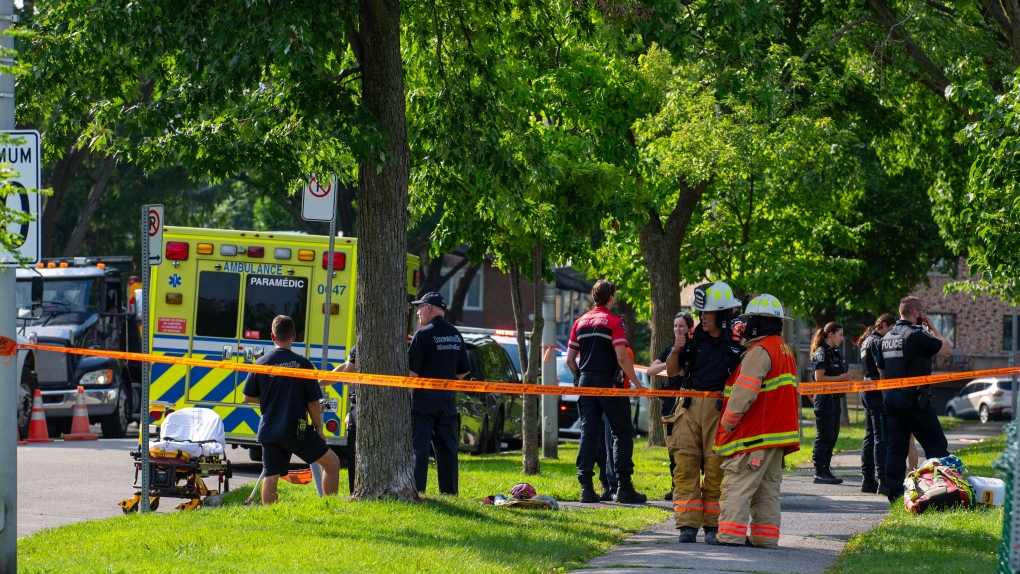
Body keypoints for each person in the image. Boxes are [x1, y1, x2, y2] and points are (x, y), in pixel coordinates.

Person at [711, 294, 800, 548]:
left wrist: (728, 423)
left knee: (738, 483)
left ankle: (729, 536)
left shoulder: (760, 351)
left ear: (758, 324)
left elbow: (744, 392)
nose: (745, 325)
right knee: (767, 490)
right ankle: (765, 537)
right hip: (776, 436)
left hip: (756, 435)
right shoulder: (784, 350)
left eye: (750, 321)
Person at [665, 281, 745, 545]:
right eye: (702, 312)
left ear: (721, 314)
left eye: (708, 313)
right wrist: (677, 348)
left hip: (718, 413)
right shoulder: (691, 338)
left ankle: (712, 526)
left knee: (715, 468)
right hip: (688, 409)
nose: (703, 317)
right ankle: (687, 525)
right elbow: (673, 370)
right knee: (684, 466)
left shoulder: (735, 344)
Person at [566, 279, 648, 505]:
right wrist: (637, 385)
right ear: (611, 297)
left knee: (588, 433)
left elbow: (570, 360)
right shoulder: (613, 322)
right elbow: (622, 357)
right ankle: (624, 487)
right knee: (621, 432)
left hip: (585, 384)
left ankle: (586, 488)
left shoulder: (579, 322)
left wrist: (579, 377)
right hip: (609, 386)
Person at [242, 315, 340, 504]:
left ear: (272, 336)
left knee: (271, 476)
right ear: (294, 336)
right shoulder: (303, 364)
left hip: (269, 430)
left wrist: (272, 398)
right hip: (297, 431)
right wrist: (318, 429)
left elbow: (248, 397)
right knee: (332, 463)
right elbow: (312, 402)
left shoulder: (260, 364)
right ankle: (331, 507)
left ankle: (270, 516)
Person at [876, 296, 953, 503]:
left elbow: (881, 371)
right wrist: (934, 328)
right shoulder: (917, 334)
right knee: (936, 444)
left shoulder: (886, 338)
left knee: (896, 447)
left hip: (891, 398)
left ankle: (894, 495)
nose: (926, 316)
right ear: (916, 313)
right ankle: (943, 492)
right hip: (913, 398)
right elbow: (946, 350)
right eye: (924, 312)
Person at [408, 291, 471, 495]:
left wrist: (408, 398)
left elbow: (412, 373)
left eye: (420, 308)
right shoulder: (455, 334)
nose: (418, 313)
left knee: (420, 447)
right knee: (447, 448)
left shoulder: (423, 335)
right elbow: (464, 371)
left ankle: (418, 490)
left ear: (429, 308)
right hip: (447, 399)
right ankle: (450, 491)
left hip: (423, 400)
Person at [649, 311, 694, 500]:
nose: (678, 329)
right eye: (676, 326)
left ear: (690, 328)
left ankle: (693, 485)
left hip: (690, 403)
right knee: (673, 447)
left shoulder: (695, 348)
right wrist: (670, 362)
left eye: (682, 325)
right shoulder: (669, 350)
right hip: (670, 404)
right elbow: (652, 369)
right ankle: (675, 486)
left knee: (691, 445)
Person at [809, 322, 853, 485]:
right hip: (824, 399)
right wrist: (840, 378)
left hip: (835, 399)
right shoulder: (821, 352)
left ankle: (826, 469)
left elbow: (836, 374)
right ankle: (820, 471)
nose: (842, 339)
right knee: (825, 436)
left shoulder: (834, 353)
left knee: (833, 436)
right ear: (831, 334)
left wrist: (846, 377)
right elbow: (820, 378)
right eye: (840, 335)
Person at [858, 314, 896, 495]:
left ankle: (868, 479)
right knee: (881, 435)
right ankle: (883, 480)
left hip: (866, 389)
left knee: (870, 435)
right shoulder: (877, 342)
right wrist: (885, 392)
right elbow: (881, 370)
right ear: (883, 325)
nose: (892, 333)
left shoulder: (866, 341)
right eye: (891, 329)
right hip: (876, 391)